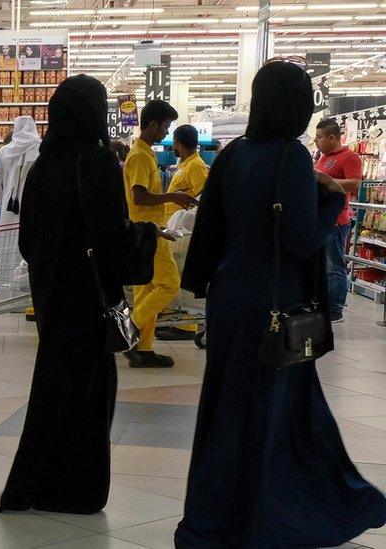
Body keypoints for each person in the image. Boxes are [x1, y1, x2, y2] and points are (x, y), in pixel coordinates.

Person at [175, 61, 386, 547]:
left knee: (227, 404)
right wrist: (330, 202)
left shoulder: (232, 154)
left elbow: (209, 227)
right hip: (275, 300)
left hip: (232, 297)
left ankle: (215, 509)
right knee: (275, 407)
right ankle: (273, 510)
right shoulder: (291, 157)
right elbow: (297, 239)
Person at [0, 75, 159, 515]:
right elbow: (113, 238)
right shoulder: (98, 162)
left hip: (51, 292)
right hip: (88, 297)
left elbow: (28, 240)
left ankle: (40, 482)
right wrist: (145, 235)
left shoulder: (42, 165)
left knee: (54, 383)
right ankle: (76, 488)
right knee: (88, 391)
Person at [122, 100, 198, 368]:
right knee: (169, 283)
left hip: (148, 231)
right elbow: (139, 196)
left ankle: (142, 348)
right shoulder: (141, 155)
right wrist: (173, 196)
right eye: (165, 126)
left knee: (148, 289)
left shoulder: (144, 153)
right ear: (152, 124)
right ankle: (129, 327)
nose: (167, 133)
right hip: (147, 233)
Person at [156, 124, 209, 342]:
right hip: (174, 226)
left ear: (178, 143)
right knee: (174, 272)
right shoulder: (185, 164)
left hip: (185, 229)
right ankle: (175, 316)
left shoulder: (196, 166)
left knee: (180, 273)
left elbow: (203, 197)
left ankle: (187, 327)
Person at [314, 118, 363, 323]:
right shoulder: (323, 158)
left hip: (336, 219)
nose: (316, 142)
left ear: (332, 137)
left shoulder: (349, 157)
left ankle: (335, 308)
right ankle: (323, 303)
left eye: (319, 138)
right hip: (322, 218)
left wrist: (326, 180)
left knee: (334, 266)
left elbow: (355, 184)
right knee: (323, 265)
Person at [0, 116, 40, 291]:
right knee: (30, 248)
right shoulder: (40, 149)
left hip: (9, 209)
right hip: (33, 208)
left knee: (7, 247)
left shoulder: (4, 151)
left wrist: (2, 199)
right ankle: (28, 293)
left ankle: (7, 290)